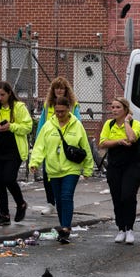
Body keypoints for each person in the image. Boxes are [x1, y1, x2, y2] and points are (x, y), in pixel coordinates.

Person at [29, 96, 94, 243]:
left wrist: (88, 169)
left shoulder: (77, 125)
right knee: (58, 199)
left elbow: (85, 148)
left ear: (68, 110)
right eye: (57, 111)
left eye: (62, 111)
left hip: (71, 168)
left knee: (66, 196)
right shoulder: (48, 126)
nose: (59, 114)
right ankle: (63, 226)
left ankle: (65, 228)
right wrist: (35, 162)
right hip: (53, 169)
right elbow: (40, 146)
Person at [0, 81, 33, 226]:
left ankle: (21, 203)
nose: (0, 98)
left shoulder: (19, 107)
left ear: (9, 94)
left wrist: (11, 126)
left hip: (13, 150)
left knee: (9, 179)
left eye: (3, 95)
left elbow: (28, 127)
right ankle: (4, 214)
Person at [99, 97, 140, 244]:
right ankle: (121, 228)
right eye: (112, 107)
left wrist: (126, 122)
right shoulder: (109, 124)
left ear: (125, 109)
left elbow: (132, 138)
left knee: (128, 196)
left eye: (118, 107)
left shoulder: (134, 123)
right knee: (117, 197)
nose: (114, 110)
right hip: (115, 165)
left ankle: (129, 228)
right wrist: (118, 141)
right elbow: (102, 142)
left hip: (132, 164)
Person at [36, 77, 81, 216]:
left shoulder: (73, 105)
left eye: (62, 88)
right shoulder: (48, 105)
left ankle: (62, 201)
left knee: (64, 174)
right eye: (57, 88)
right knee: (47, 174)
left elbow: (78, 123)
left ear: (66, 90)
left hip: (65, 144)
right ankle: (51, 203)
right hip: (50, 142)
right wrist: (39, 141)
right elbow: (42, 124)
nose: (59, 91)